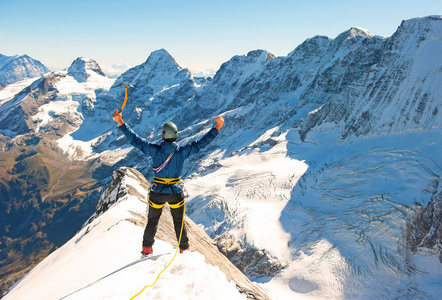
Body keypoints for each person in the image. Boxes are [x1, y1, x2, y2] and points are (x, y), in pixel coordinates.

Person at [112, 110, 224, 257]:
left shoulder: (154, 150)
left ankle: (146, 250)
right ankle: (184, 250)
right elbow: (200, 144)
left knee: (152, 221)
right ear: (176, 137)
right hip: (175, 193)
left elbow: (135, 140)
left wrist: (121, 122)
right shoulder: (181, 152)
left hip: (157, 192)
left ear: (163, 136)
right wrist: (217, 127)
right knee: (179, 222)